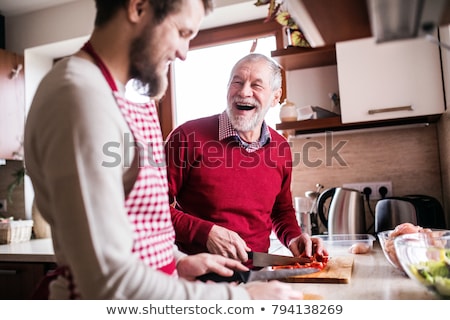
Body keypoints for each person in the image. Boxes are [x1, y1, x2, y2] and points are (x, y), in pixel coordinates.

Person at [24, 0, 304, 300]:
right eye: (182, 32)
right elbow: (107, 280)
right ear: (138, 7)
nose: (183, 53)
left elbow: (136, 227)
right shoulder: (80, 96)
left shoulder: (110, 94)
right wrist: (242, 300)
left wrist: (178, 262)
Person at [165, 53, 327, 263]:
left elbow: (281, 210)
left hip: (257, 274)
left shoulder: (281, 148)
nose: (244, 92)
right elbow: (151, 207)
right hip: (197, 277)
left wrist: (293, 237)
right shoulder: (187, 136)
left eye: (256, 85)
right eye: (237, 82)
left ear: (276, 97)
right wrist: (205, 233)